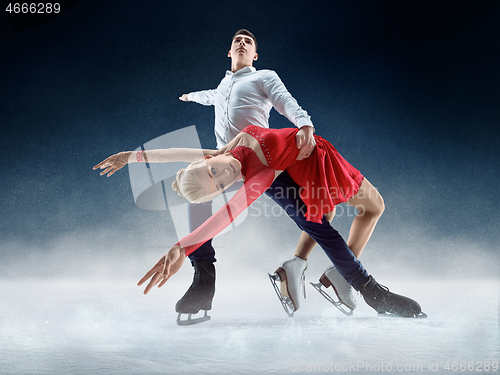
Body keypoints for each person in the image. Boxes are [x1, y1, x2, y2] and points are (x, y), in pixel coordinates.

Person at [94, 125, 425, 318]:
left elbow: (179, 152)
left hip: (324, 155)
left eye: (214, 170)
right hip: (310, 168)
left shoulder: (230, 147)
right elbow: (227, 214)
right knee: (324, 226)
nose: (225, 175)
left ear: (209, 159)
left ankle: (335, 275)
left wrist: (132, 157)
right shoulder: (259, 176)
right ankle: (370, 291)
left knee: (368, 206)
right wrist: (183, 245)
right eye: (221, 185)